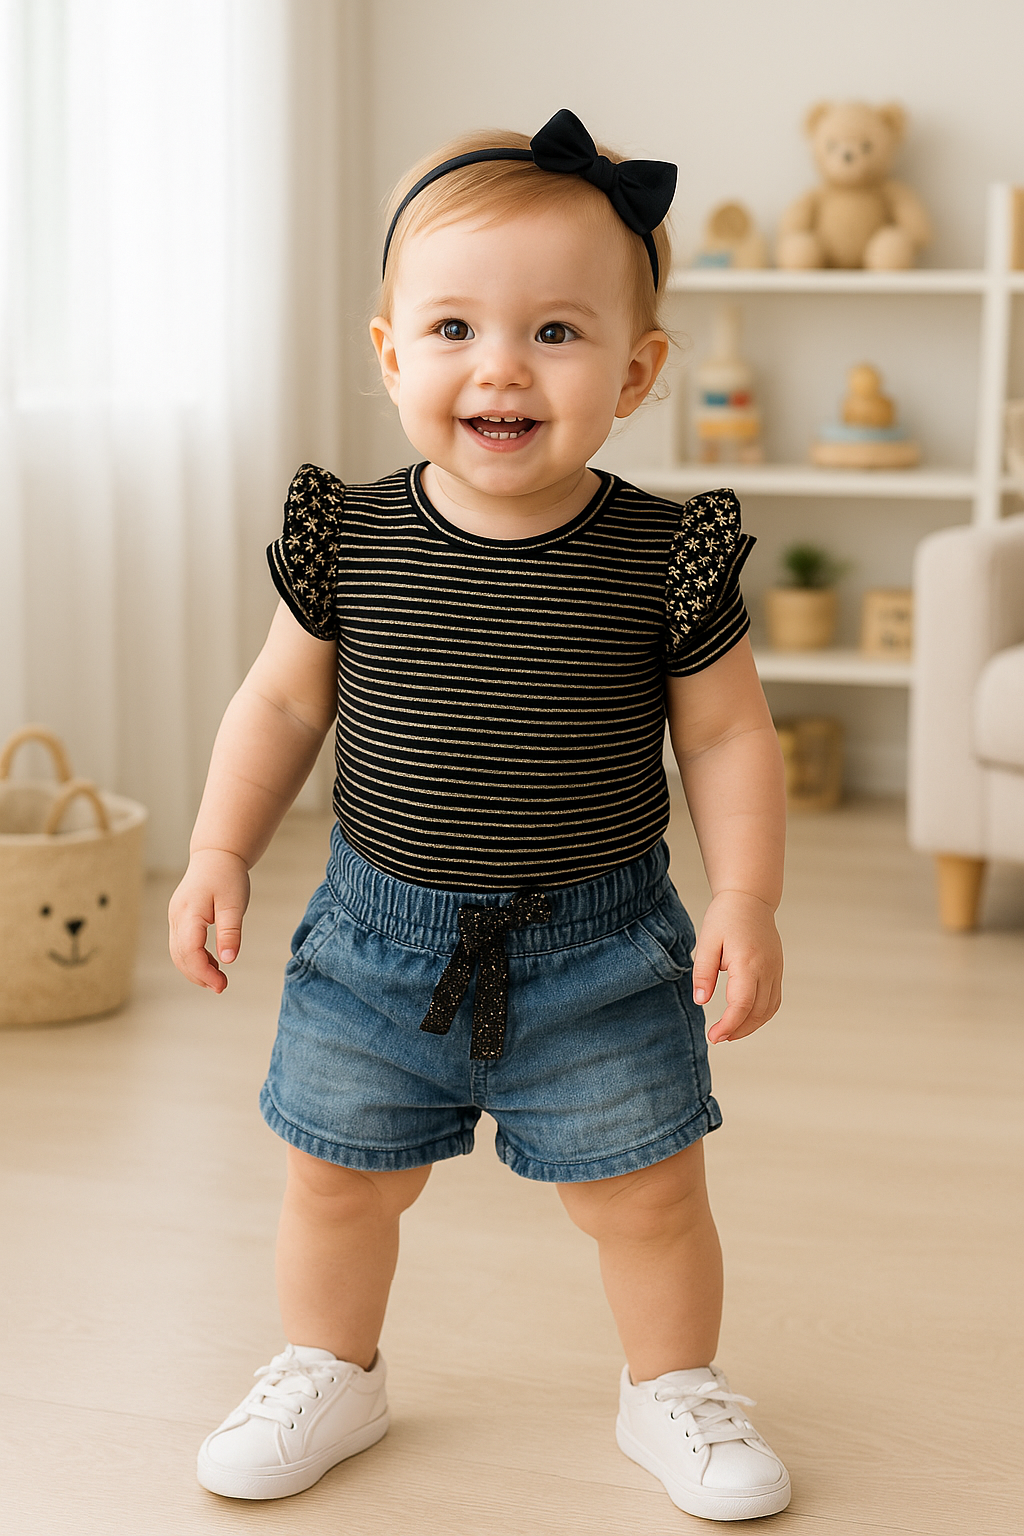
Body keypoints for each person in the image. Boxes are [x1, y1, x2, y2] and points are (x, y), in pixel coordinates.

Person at [168, 109, 791, 1523]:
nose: (500, 365)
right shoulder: (353, 534)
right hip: (373, 947)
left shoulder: (665, 553)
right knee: (335, 1185)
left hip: (604, 948)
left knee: (646, 1196)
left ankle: (672, 1385)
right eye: (452, 327)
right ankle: (331, 1365)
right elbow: (275, 709)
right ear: (391, 354)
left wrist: (747, 897)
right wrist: (219, 850)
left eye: (556, 334)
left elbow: (733, 734)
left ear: (635, 373)